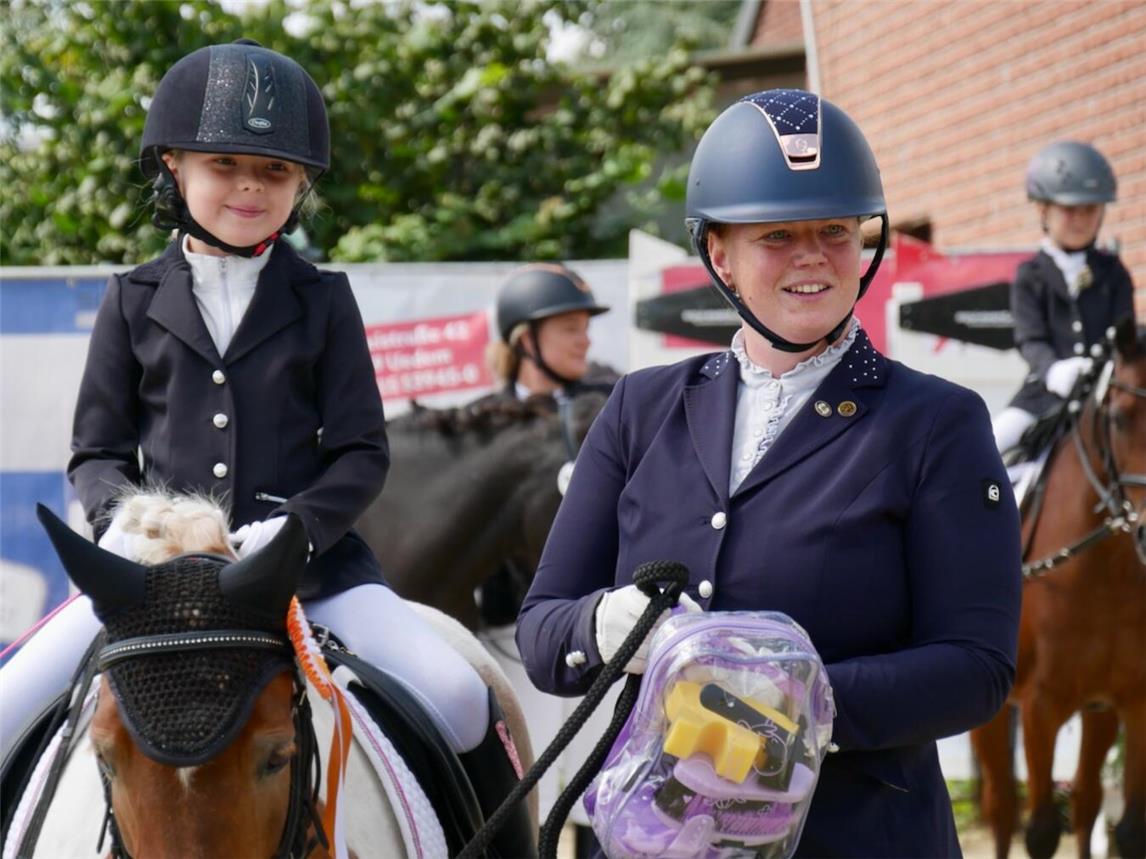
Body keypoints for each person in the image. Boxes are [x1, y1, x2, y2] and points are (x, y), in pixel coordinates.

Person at [0, 40, 531, 854]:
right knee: (7, 705)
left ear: (301, 186)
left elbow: (360, 452)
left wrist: (297, 531)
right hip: (154, 586)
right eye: (226, 163)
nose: (251, 186)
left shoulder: (323, 300)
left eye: (276, 172)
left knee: (460, 696)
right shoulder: (131, 300)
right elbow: (96, 453)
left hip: (307, 575)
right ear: (174, 166)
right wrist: (132, 525)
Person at [517, 88, 1023, 856]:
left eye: (834, 231)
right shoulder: (638, 408)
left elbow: (976, 667)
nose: (812, 256)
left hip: (853, 833)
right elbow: (543, 628)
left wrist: (782, 703)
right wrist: (607, 627)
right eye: (778, 235)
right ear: (720, 253)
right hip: (652, 835)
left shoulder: (936, 423)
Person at [477, 263, 614, 625]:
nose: (585, 340)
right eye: (571, 329)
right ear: (526, 340)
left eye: (586, 328)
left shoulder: (613, 401)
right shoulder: (482, 421)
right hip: (506, 623)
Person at [992, 140, 1135, 460]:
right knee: (985, 449)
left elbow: (1123, 335)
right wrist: (1053, 370)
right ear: (1044, 210)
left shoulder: (1114, 273)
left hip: (1106, 395)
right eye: (1070, 210)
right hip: (1043, 394)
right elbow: (1030, 340)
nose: (1081, 219)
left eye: (1091, 210)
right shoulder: (1030, 275)